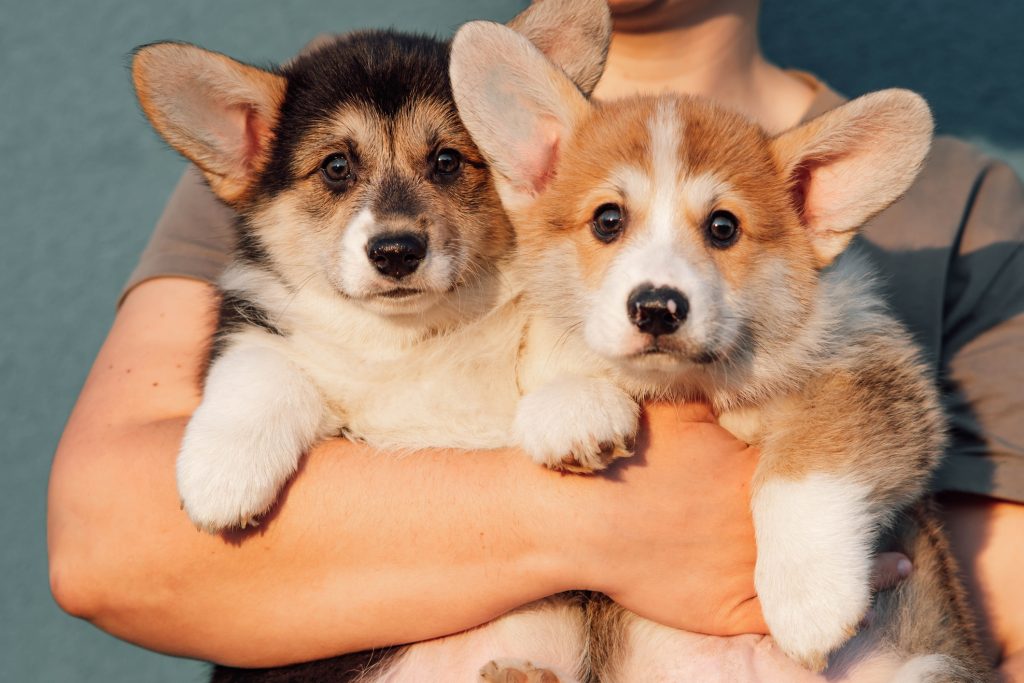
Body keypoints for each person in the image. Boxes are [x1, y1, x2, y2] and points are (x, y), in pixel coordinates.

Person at [48, 0, 1024, 679]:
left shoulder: (964, 204)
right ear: (535, 168)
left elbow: (999, 617)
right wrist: (604, 524)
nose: (400, 212)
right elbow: (109, 547)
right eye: (600, 220)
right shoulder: (340, 100)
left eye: (448, 163)